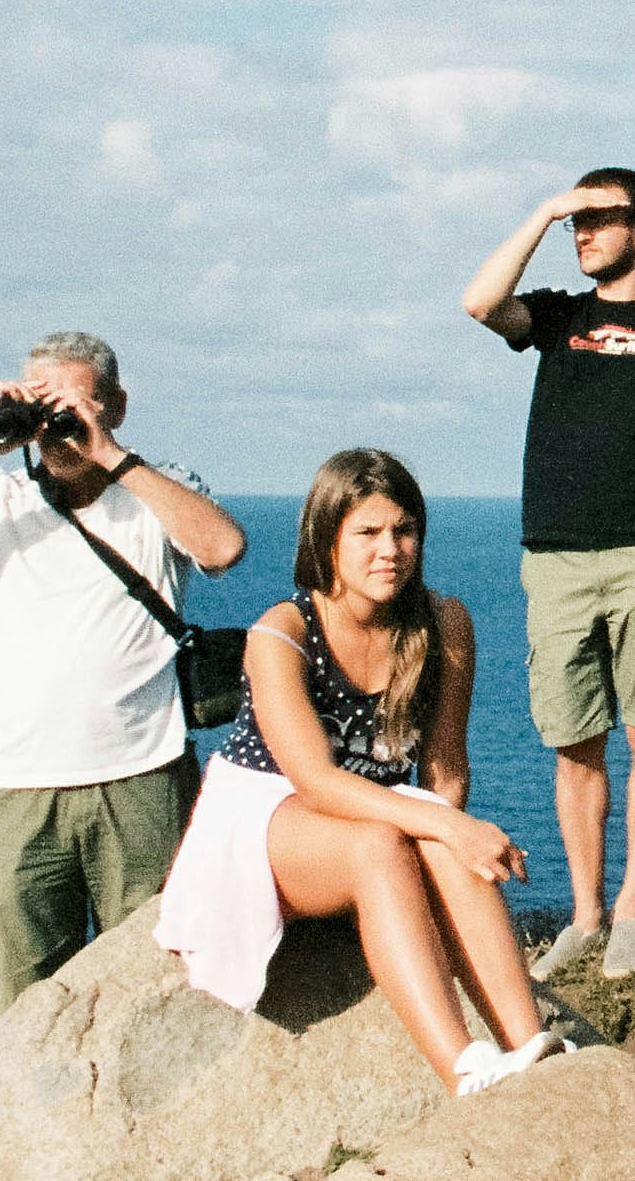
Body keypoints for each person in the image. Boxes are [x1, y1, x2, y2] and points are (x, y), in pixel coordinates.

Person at [0, 332, 248, 1009]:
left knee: (158, 982)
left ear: (115, 405)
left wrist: (111, 456)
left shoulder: (162, 487)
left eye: (74, 407)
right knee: (24, 996)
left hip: (142, 776)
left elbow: (222, 547)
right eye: (40, 412)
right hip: (18, 786)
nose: (54, 430)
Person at [156, 449, 562, 1092]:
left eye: (403, 530)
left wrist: (447, 834)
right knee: (392, 840)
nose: (390, 550)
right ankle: (463, 1065)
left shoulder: (444, 622)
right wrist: (445, 827)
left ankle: (529, 1042)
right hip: (270, 810)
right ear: (327, 539)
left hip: (373, 806)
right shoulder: (281, 633)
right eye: (367, 533)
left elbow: (445, 764)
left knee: (441, 834)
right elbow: (314, 779)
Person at [463, 168, 635, 981]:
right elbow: (481, 303)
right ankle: (585, 916)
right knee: (572, 741)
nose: (581, 233)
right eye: (573, 222)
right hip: (554, 558)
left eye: (597, 219)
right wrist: (543, 207)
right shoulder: (557, 315)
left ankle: (632, 909)